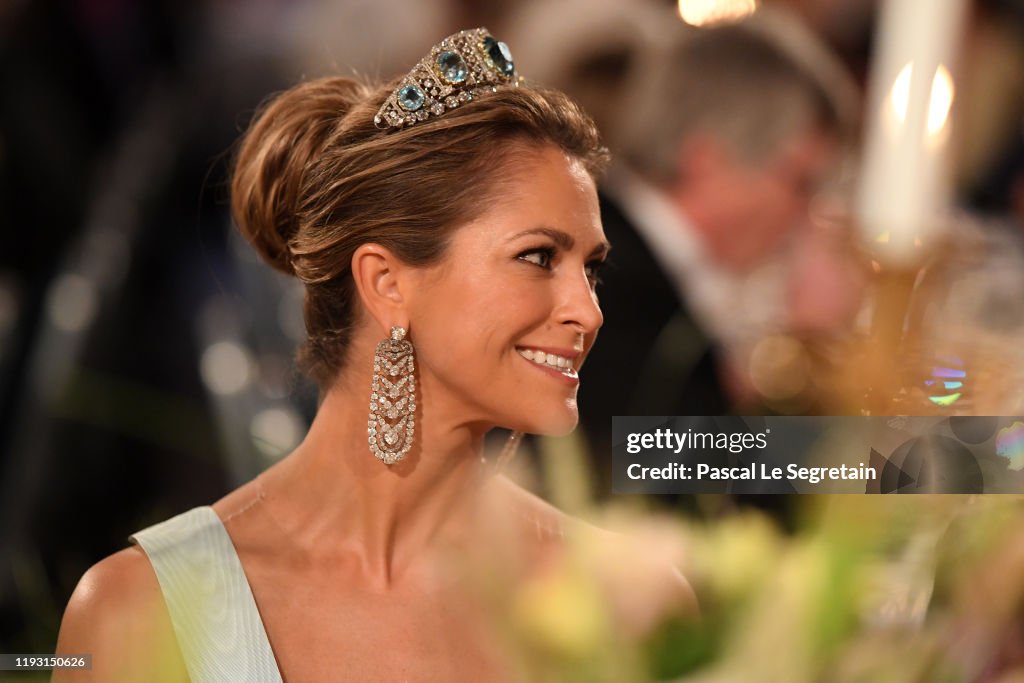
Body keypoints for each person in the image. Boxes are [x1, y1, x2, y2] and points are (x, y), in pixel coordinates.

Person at [52, 28, 693, 681]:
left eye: (592, 270)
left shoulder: (631, 601)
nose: (588, 310)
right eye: (538, 257)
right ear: (386, 283)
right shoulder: (137, 609)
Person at [576, 10, 861, 468]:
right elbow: (665, 466)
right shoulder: (601, 267)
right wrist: (811, 345)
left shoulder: (626, 243)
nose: (807, 215)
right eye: (801, 182)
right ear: (707, 159)